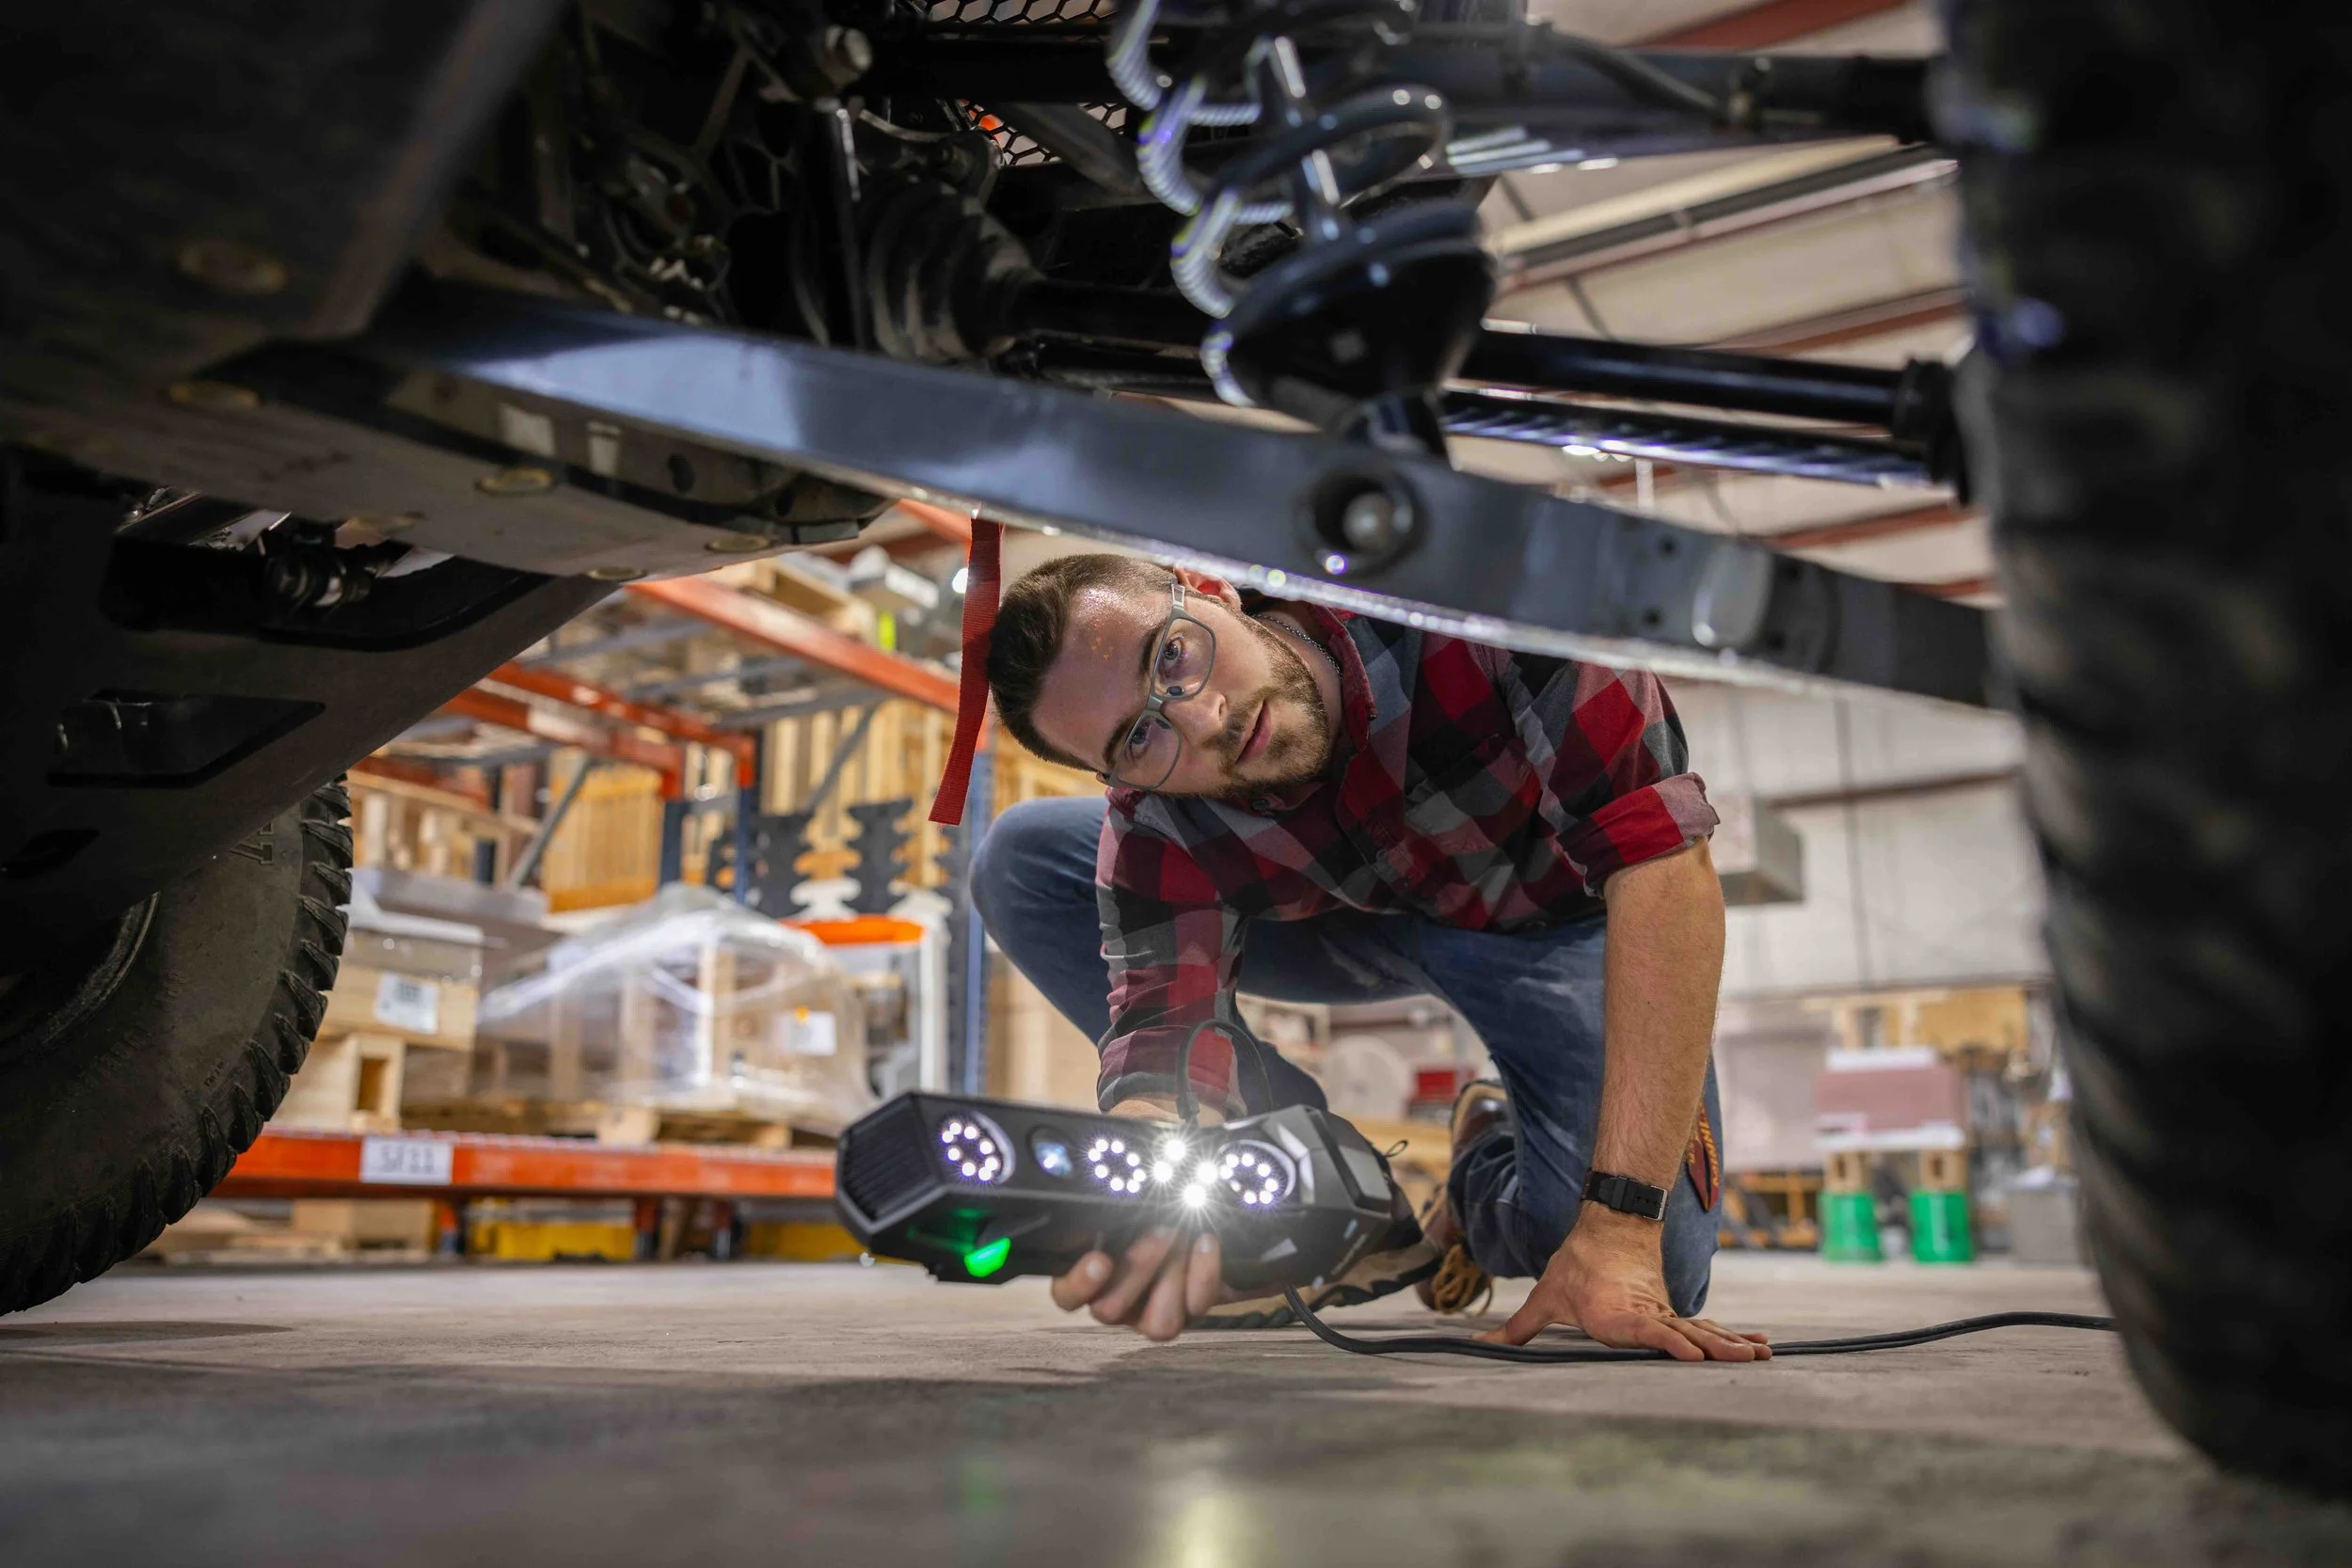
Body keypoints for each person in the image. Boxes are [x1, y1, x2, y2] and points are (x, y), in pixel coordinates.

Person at [958, 552, 1768, 1361]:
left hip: (1551, 927)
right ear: (1115, 774)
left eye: (1171, 655)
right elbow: (1163, 1052)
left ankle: (1483, 1158)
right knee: (1024, 857)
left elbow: (1663, 864)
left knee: (1657, 1260)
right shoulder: (1155, 816)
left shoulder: (1491, 605)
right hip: (1347, 924)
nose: (1203, 720)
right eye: (1139, 737)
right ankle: (1341, 1194)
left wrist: (1619, 1227)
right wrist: (1145, 1190)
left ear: (1208, 588)